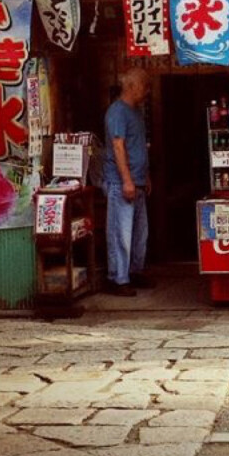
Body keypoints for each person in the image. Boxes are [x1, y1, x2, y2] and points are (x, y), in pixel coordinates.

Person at [103, 67, 155, 296]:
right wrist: (127, 181)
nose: (147, 91)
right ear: (132, 86)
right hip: (121, 182)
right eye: (145, 86)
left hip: (137, 180)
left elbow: (137, 147)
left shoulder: (136, 112)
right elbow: (118, 146)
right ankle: (118, 278)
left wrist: (144, 176)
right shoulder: (117, 112)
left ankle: (134, 271)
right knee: (121, 232)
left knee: (139, 232)